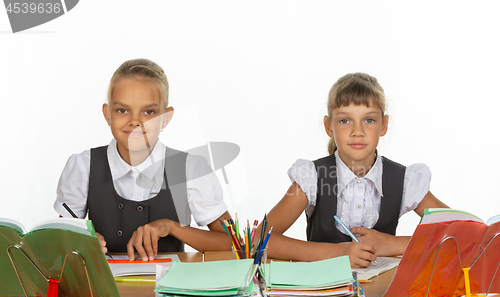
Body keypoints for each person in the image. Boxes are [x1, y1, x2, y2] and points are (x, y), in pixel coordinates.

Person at [264, 72, 448, 267]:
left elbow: (465, 232)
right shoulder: (313, 177)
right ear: (329, 127)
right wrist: (337, 252)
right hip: (325, 294)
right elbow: (262, 239)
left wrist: (396, 243)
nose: (357, 131)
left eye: (369, 120)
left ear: (384, 126)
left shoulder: (403, 180)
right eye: (345, 120)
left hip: (381, 294)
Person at [54, 58, 231, 261]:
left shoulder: (190, 169)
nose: (135, 121)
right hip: (105, 289)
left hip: (171, 290)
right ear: (107, 114)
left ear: (165, 118)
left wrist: (172, 227)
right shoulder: (84, 167)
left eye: (149, 112)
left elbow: (231, 243)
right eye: (122, 110)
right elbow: (61, 239)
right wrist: (82, 239)